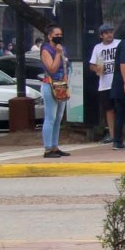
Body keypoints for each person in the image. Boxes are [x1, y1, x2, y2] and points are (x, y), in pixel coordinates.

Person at [38, 24, 70, 157]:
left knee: (58, 118)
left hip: (61, 85)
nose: (59, 37)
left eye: (60, 35)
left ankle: (55, 145)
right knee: (50, 117)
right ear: (49, 36)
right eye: (56, 35)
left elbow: (66, 66)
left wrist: (66, 82)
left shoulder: (63, 49)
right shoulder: (46, 50)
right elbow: (52, 68)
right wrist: (57, 54)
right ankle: (47, 148)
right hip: (50, 84)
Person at [87, 23, 120, 143]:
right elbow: (91, 65)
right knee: (109, 109)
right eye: (106, 33)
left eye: (111, 32)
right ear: (101, 35)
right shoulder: (98, 48)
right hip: (105, 83)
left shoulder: (119, 44)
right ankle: (112, 134)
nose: (109, 35)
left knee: (121, 108)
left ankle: (123, 133)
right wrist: (97, 69)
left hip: (118, 82)